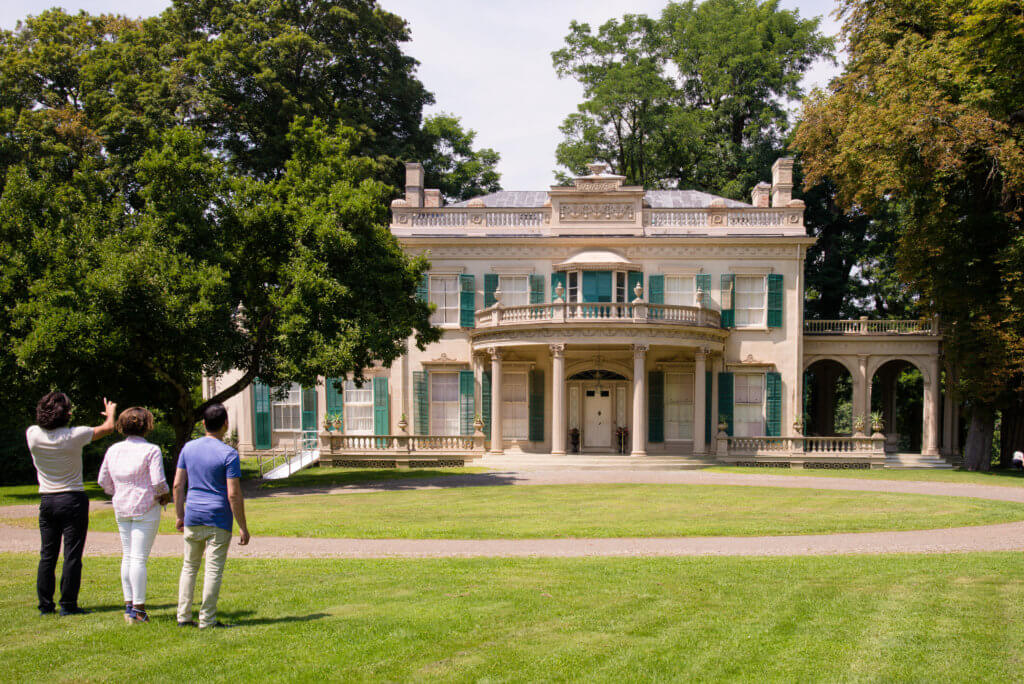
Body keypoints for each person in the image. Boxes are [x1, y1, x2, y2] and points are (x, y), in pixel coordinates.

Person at [26, 392, 117, 616]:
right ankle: (68, 604)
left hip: (47, 499)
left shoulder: (33, 434)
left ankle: (45, 606)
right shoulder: (75, 435)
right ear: (65, 414)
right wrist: (111, 414)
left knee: (47, 555)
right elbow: (107, 428)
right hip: (72, 499)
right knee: (72, 554)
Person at [174, 403, 250, 629]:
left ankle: (183, 616)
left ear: (203, 424)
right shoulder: (229, 453)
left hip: (193, 515)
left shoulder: (188, 448)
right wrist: (243, 526)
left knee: (189, 566)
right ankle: (207, 619)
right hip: (218, 517)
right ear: (225, 424)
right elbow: (233, 494)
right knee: (213, 569)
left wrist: (180, 514)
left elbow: (178, 485)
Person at [97, 407, 171, 624]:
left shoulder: (113, 450)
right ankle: (139, 609)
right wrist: (164, 496)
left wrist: (117, 491)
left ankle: (129, 605)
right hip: (146, 506)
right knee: (138, 558)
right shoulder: (151, 450)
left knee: (128, 555)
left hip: (122, 505)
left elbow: (103, 480)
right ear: (147, 425)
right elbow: (158, 481)